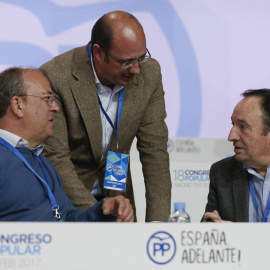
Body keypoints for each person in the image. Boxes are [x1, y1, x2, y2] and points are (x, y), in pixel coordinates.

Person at [39, 10, 171, 222]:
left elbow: (154, 151)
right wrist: (97, 216)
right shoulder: (56, 77)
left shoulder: (150, 73)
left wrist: (158, 224)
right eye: (127, 61)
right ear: (99, 53)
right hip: (68, 203)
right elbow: (56, 159)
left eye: (141, 57)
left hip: (119, 201)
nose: (136, 69)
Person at [0, 67, 134, 222]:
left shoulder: (43, 162)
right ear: (18, 105)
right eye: (47, 98)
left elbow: (67, 221)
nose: (55, 107)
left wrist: (104, 211)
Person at [202, 89, 270, 222]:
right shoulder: (222, 172)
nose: (231, 136)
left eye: (243, 127)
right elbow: (209, 229)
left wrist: (237, 234)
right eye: (233, 125)